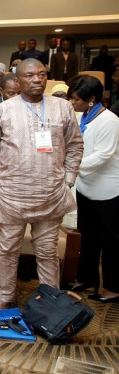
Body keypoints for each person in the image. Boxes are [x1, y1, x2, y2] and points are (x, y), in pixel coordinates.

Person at [0, 59, 83, 309]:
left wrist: (68, 180)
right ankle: (5, 297)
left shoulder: (63, 107)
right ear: (18, 80)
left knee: (48, 251)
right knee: (7, 249)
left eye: (42, 74)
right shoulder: (3, 109)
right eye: (30, 76)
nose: (37, 79)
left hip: (51, 193)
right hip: (11, 193)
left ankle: (50, 301)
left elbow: (75, 145)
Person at [66, 76, 119, 303]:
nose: (72, 102)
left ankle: (113, 287)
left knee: (111, 240)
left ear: (91, 99)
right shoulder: (82, 116)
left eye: (76, 99)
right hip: (86, 186)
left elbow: (103, 155)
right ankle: (85, 277)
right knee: (87, 236)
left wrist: (70, 166)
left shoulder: (109, 120)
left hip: (107, 189)